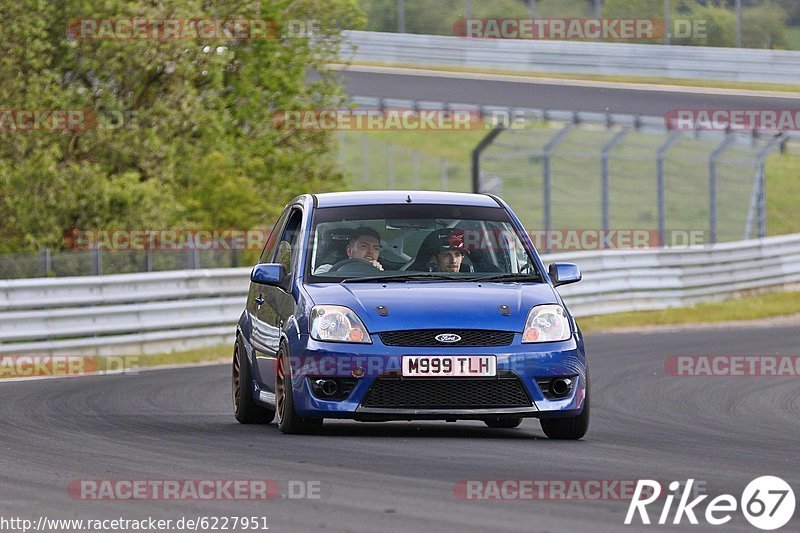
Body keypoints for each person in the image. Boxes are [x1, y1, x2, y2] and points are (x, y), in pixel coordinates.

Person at [314, 226, 384, 274]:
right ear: (349, 251)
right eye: (364, 246)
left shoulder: (387, 275)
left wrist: (378, 274)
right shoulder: (327, 270)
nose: (371, 251)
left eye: (376, 248)